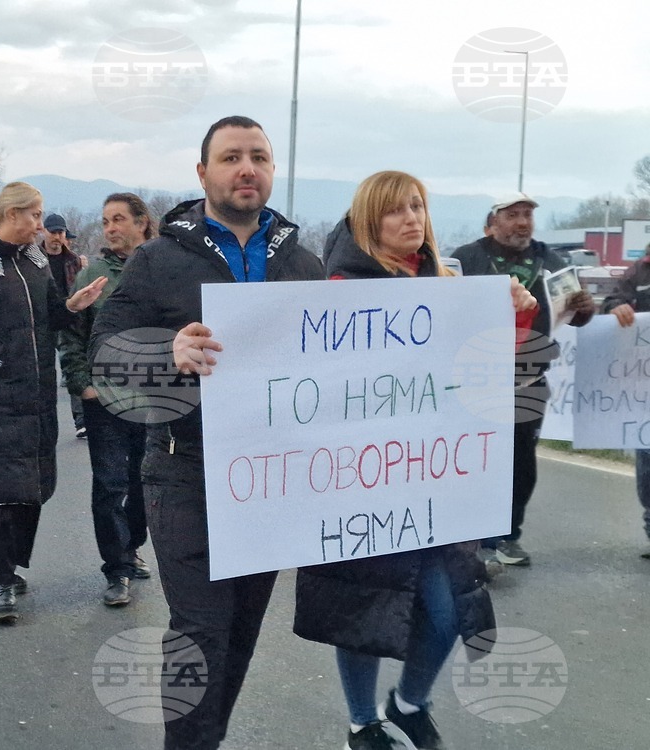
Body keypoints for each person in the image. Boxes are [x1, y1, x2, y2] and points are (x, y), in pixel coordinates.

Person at [91, 116, 324, 750]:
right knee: (198, 630)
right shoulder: (158, 259)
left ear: (272, 171)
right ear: (203, 174)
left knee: (242, 629)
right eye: (230, 158)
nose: (246, 168)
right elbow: (105, 350)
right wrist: (166, 349)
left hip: (273, 478)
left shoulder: (303, 263)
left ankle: (205, 740)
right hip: (185, 467)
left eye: (258, 157)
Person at [296, 170, 536, 750]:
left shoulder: (448, 283)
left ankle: (408, 705)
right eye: (396, 210)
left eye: (418, 207)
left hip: (433, 482)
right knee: (363, 609)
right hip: (362, 485)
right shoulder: (337, 289)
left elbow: (488, 365)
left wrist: (517, 314)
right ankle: (362, 722)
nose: (412, 219)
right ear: (367, 221)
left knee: (447, 611)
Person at [0, 182, 106, 624]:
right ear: (11, 215)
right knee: (4, 490)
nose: (41, 225)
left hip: (37, 395)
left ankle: (8, 565)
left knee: (34, 487)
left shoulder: (36, 260)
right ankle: (0, 579)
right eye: (35, 215)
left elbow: (49, 316)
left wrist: (73, 305)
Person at [452, 193, 595, 567]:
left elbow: (576, 316)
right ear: (493, 222)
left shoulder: (552, 260)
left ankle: (509, 534)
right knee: (478, 454)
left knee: (520, 460)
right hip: (477, 375)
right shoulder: (468, 258)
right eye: (512, 215)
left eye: (527, 215)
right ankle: (474, 537)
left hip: (529, 376)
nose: (522, 222)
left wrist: (585, 309)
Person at [60, 193, 154, 607]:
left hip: (153, 401)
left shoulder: (159, 269)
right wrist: (82, 384)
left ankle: (131, 547)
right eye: (105, 221)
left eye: (118, 220)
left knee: (145, 483)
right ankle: (116, 569)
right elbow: (72, 334)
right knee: (111, 485)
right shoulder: (92, 276)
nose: (110, 228)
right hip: (106, 401)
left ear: (141, 223)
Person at [602, 242, 650, 559]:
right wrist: (616, 309)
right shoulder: (640, 270)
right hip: (644, 385)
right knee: (648, 462)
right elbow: (612, 301)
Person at [41, 212, 87, 437]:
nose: (57, 237)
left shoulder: (74, 261)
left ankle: (80, 421)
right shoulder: (33, 258)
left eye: (60, 232)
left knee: (73, 366)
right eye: (53, 232)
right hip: (43, 320)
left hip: (70, 317)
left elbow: (81, 287)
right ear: (44, 232)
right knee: (44, 369)